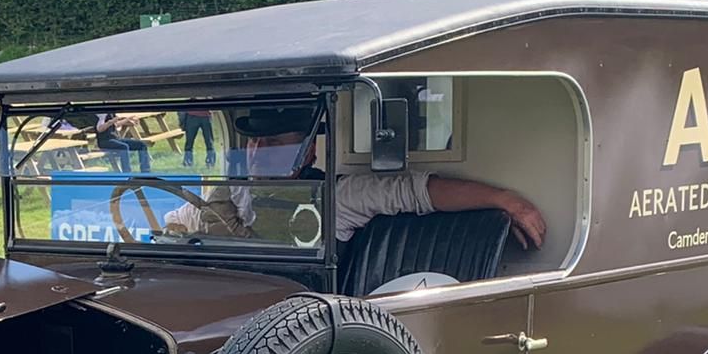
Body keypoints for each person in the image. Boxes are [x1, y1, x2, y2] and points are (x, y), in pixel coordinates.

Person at [163, 106, 546, 251]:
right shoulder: (236, 191)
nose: (259, 151)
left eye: (276, 143)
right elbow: (183, 219)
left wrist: (507, 200)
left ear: (308, 152)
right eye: (256, 142)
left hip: (306, 326)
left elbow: (417, 191)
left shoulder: (339, 196)